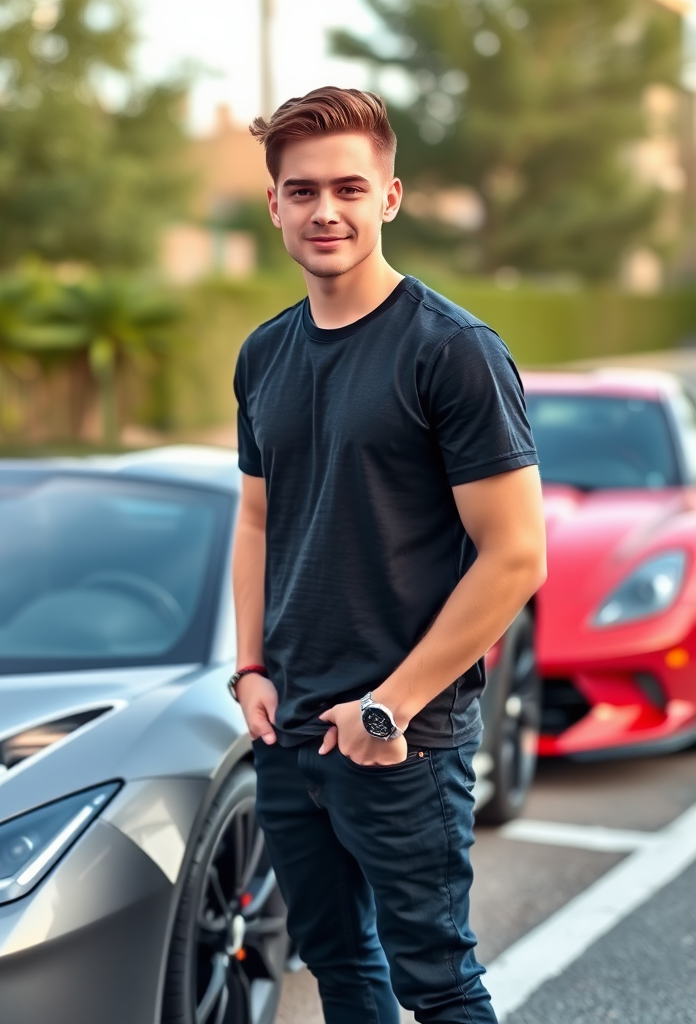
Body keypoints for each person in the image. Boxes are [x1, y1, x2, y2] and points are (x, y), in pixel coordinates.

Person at [230, 87, 547, 1024]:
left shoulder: (451, 352)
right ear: (275, 206)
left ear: (391, 197)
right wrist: (250, 666)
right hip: (290, 723)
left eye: (349, 188)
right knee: (336, 963)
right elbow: (255, 520)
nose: (325, 210)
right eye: (302, 191)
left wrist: (386, 706)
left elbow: (516, 556)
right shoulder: (264, 354)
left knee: (438, 983)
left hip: (402, 733)